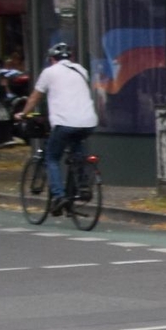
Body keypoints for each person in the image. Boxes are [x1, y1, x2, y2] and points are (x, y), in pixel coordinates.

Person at [19, 41, 99, 212]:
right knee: (77, 152)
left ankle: (58, 196)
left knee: (51, 158)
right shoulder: (81, 70)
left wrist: (24, 114)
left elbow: (35, 97)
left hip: (64, 122)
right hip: (88, 122)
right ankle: (83, 186)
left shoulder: (49, 72)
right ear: (71, 58)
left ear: (52, 59)